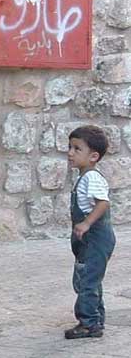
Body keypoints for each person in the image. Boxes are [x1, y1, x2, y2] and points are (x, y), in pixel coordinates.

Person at [65, 125, 116, 339]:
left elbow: (102, 203)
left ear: (93, 156)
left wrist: (86, 223)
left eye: (77, 149)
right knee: (89, 277)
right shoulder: (84, 177)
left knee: (87, 280)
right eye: (70, 147)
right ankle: (96, 318)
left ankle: (89, 323)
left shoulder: (92, 178)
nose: (70, 153)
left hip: (96, 237)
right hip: (88, 240)